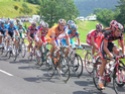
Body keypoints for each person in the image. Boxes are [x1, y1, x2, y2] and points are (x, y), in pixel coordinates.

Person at [98, 22, 125, 89]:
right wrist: (110, 55)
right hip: (103, 45)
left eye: (120, 31)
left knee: (118, 51)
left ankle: (113, 66)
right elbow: (105, 47)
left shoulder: (120, 35)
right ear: (114, 30)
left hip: (110, 43)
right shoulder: (108, 34)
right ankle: (100, 81)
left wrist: (124, 53)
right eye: (118, 31)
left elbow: (122, 45)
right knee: (104, 61)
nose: (119, 33)